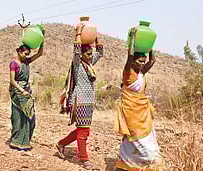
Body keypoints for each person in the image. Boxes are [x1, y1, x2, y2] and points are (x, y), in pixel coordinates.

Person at [55, 23, 103, 170]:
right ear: (81, 54)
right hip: (80, 100)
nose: (90, 56)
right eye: (88, 54)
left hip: (89, 101)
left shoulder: (88, 63)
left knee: (84, 130)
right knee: (83, 132)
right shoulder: (78, 63)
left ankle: (61, 143)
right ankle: (84, 159)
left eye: (90, 54)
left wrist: (97, 38)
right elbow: (76, 51)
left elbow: (100, 52)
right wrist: (79, 32)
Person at [113, 28, 162, 171]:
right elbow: (129, 55)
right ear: (133, 61)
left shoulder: (141, 72)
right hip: (131, 111)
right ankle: (126, 164)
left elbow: (153, 60)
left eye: (143, 61)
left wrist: (149, 45)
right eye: (140, 61)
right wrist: (133, 39)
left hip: (142, 111)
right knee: (134, 138)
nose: (142, 64)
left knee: (145, 139)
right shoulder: (128, 72)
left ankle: (130, 164)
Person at [9, 34, 45, 150]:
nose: (26, 56)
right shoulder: (14, 63)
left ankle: (26, 140)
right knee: (17, 116)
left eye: (27, 54)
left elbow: (39, 54)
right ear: (19, 52)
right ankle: (16, 141)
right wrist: (21, 90)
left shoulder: (27, 62)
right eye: (25, 53)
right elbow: (12, 80)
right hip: (17, 92)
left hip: (26, 91)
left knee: (30, 116)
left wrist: (42, 39)